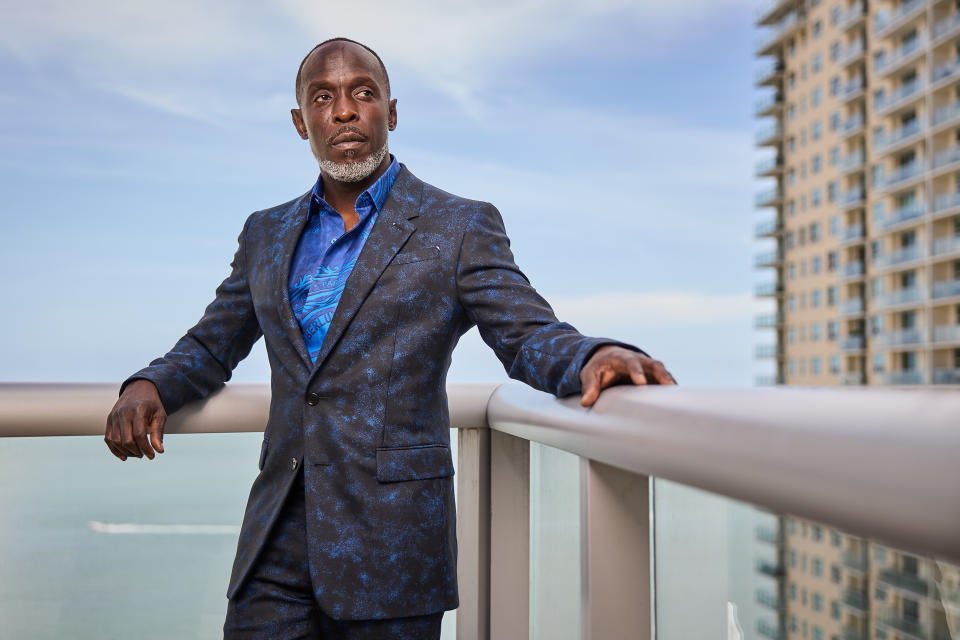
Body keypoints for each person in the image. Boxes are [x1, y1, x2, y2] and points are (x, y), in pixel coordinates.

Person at [104, 37, 676, 639]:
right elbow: (212, 344)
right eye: (323, 97)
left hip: (394, 548)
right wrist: (150, 384)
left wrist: (595, 355)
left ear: (391, 113)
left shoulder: (458, 224)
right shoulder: (264, 233)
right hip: (275, 546)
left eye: (363, 94)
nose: (344, 110)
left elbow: (526, 331)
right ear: (302, 122)